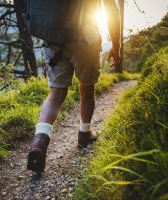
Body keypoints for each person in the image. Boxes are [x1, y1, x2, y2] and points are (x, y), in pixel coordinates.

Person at [27, 0, 121, 172]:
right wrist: (116, 46)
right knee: (87, 87)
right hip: (85, 39)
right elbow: (112, 10)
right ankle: (84, 135)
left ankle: (39, 142)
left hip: (54, 38)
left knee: (56, 93)